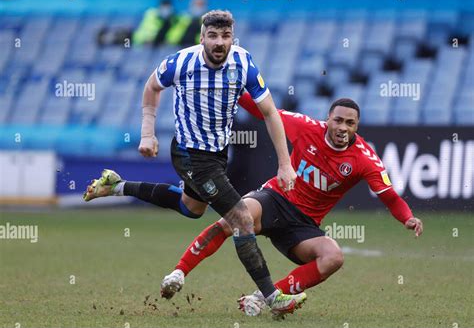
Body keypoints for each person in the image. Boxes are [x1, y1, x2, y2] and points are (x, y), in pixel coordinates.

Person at [83, 10, 306, 317]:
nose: (219, 43)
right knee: (241, 219)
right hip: (189, 153)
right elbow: (151, 87)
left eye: (225, 36)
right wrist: (148, 133)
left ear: (232, 38)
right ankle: (272, 297)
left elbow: (270, 113)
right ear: (202, 37)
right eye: (212, 36)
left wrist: (285, 164)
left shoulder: (244, 64)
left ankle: (116, 185)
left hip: (217, 154)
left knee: (192, 208)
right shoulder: (181, 62)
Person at [154, 92, 423, 316]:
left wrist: (407, 218)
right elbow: (263, 110)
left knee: (333, 258)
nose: (343, 127)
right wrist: (235, 90)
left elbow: (390, 196)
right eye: (338, 120)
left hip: (303, 225)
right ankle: (179, 273)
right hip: (276, 198)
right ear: (327, 119)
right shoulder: (306, 127)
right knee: (235, 219)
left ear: (357, 126)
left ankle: (264, 297)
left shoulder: (364, 158)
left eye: (350, 123)